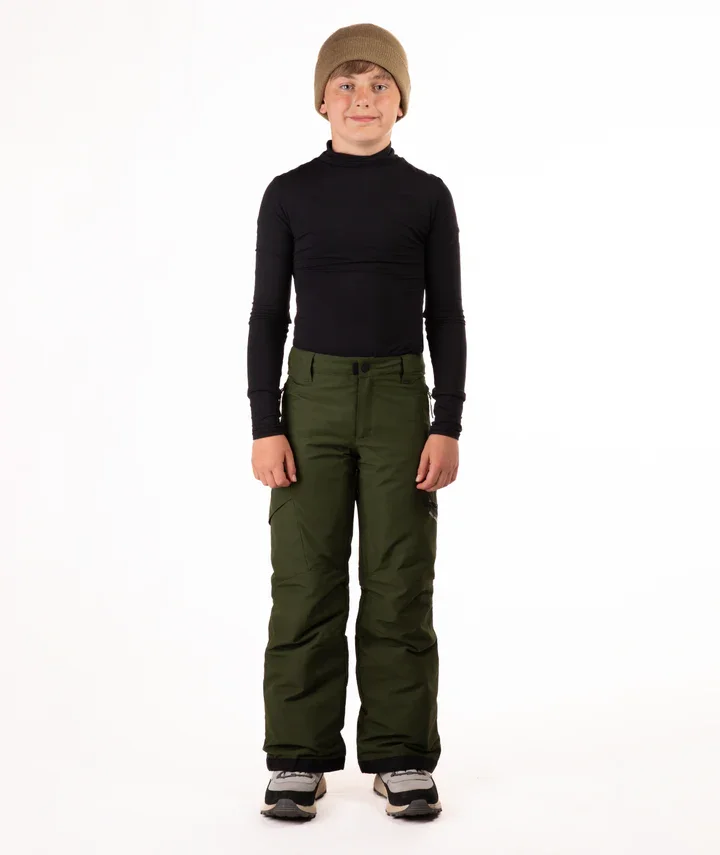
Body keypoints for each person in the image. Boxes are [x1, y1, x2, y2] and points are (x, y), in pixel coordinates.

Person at [247, 22, 467, 820]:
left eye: (379, 84)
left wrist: (447, 422)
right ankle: (297, 756)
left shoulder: (427, 196)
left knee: (400, 580)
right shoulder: (289, 194)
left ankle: (401, 754)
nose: (362, 98)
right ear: (321, 101)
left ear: (401, 102)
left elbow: (446, 316)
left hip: (402, 401)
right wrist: (265, 422)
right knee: (304, 579)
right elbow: (268, 314)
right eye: (346, 83)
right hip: (310, 401)